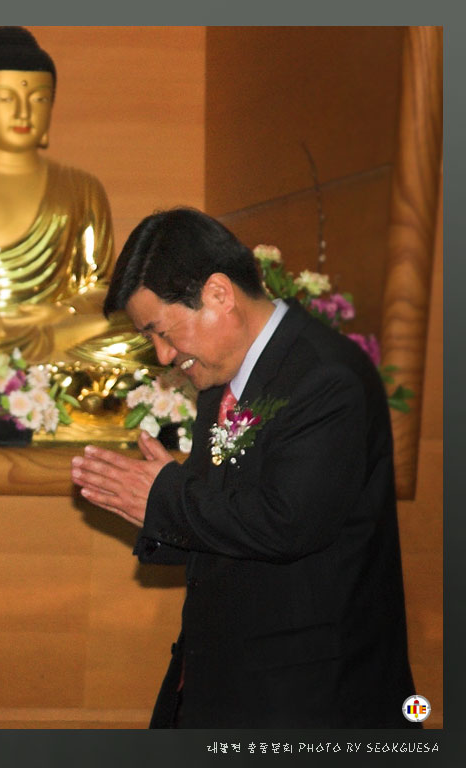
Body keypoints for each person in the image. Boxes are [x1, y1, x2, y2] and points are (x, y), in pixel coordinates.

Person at [71, 207, 418, 728]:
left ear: (217, 293)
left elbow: (288, 522)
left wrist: (167, 496)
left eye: (161, 331)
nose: (164, 356)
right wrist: (152, 510)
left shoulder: (325, 376)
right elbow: (233, 519)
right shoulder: (224, 379)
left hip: (312, 699)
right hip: (230, 686)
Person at [0, 26, 154, 378]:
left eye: (39, 98)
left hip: (62, 330)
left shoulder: (82, 187)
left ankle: (33, 373)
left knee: (139, 336)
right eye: (5, 98)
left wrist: (61, 313)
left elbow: (103, 288)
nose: (23, 111)